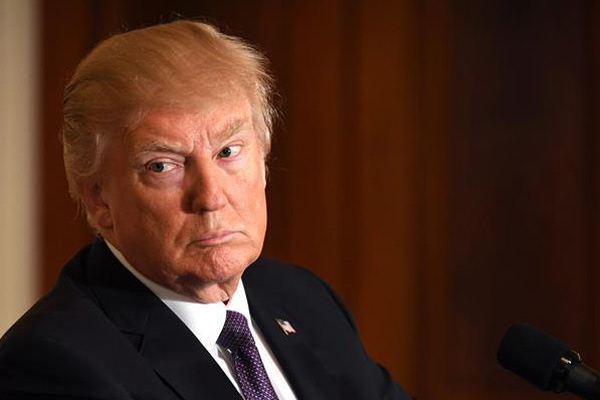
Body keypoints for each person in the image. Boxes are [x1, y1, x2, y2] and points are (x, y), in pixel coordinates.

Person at [0, 20, 412, 400]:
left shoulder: (303, 298)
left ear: (264, 161)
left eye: (228, 151)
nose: (211, 197)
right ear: (98, 199)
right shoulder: (51, 365)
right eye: (163, 166)